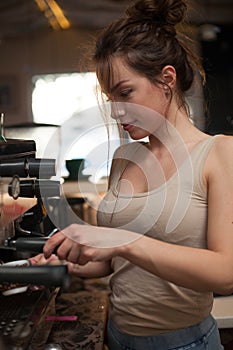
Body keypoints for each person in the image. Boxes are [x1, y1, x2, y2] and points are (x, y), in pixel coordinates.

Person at [31, 0, 233, 349]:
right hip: (119, 337)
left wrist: (123, 240)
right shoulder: (125, 158)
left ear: (167, 79)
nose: (116, 111)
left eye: (125, 93)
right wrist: (66, 260)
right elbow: (113, 263)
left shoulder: (218, 153)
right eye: (110, 98)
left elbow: (225, 273)